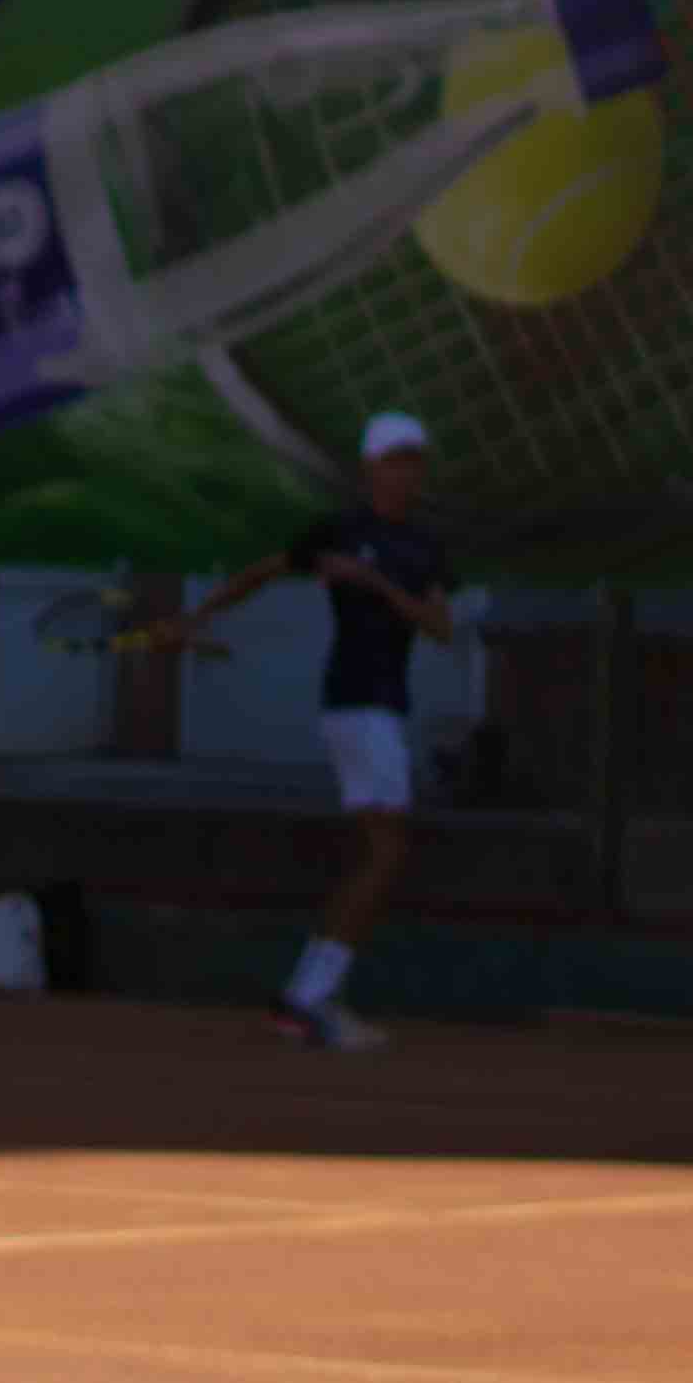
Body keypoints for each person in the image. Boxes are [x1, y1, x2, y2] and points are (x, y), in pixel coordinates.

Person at [192, 409, 457, 1053]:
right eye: (395, 460)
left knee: (378, 855)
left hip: (383, 707)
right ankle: (308, 998)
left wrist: (376, 583)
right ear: (371, 468)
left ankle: (305, 997)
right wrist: (195, 618)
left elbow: (440, 627)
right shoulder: (339, 531)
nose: (406, 472)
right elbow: (262, 572)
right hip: (354, 704)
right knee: (386, 854)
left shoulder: (425, 546)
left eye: (414, 461)